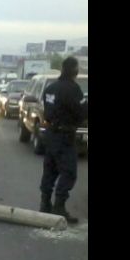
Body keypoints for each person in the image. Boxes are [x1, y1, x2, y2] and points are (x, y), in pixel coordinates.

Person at [39, 56, 87, 223]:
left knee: (50, 170)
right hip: (65, 136)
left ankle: (44, 204)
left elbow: (47, 110)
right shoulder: (72, 89)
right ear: (74, 70)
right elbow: (82, 112)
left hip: (51, 134)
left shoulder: (50, 88)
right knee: (69, 172)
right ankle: (59, 206)